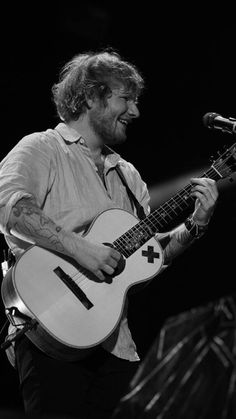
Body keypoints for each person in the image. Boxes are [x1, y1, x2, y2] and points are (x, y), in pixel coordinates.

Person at [0, 49, 218, 419]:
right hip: (49, 328)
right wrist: (83, 251)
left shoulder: (129, 176)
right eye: (126, 98)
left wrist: (194, 225)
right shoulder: (42, 147)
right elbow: (11, 208)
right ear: (90, 96)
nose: (135, 111)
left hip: (116, 343)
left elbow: (147, 256)